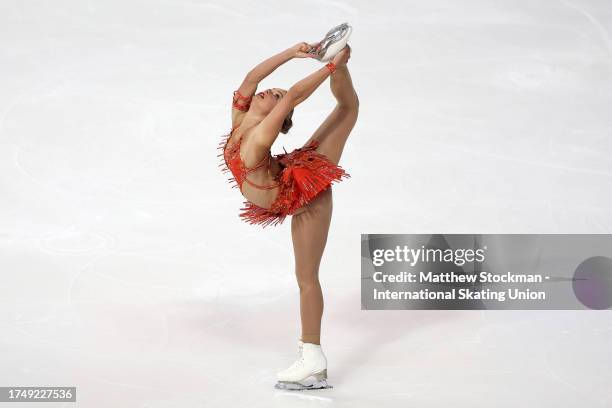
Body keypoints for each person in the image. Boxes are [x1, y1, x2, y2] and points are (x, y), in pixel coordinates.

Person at [217, 42, 359, 390]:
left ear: (275, 114)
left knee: (306, 277)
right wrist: (293, 54)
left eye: (273, 96)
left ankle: (312, 358)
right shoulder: (240, 119)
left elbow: (293, 95)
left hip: (303, 192)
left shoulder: (257, 139)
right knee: (348, 108)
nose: (269, 91)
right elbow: (252, 78)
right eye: (268, 93)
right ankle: (340, 65)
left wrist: (330, 68)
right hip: (283, 178)